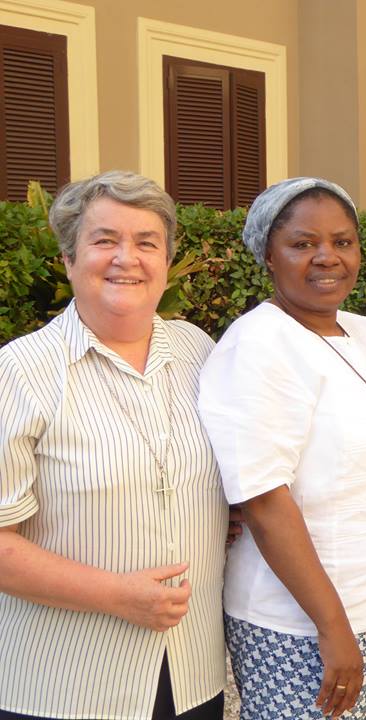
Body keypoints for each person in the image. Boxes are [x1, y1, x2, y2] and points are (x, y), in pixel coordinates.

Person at [0, 172, 228, 719]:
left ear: (166, 261)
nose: (127, 257)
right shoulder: (21, 372)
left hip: (192, 675)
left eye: (146, 242)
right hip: (65, 686)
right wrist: (115, 594)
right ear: (67, 258)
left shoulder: (200, 352)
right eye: (104, 240)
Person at [198, 177, 366, 720]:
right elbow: (263, 501)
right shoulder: (257, 345)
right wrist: (332, 628)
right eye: (303, 244)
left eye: (342, 242)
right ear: (269, 256)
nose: (327, 257)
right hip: (301, 624)